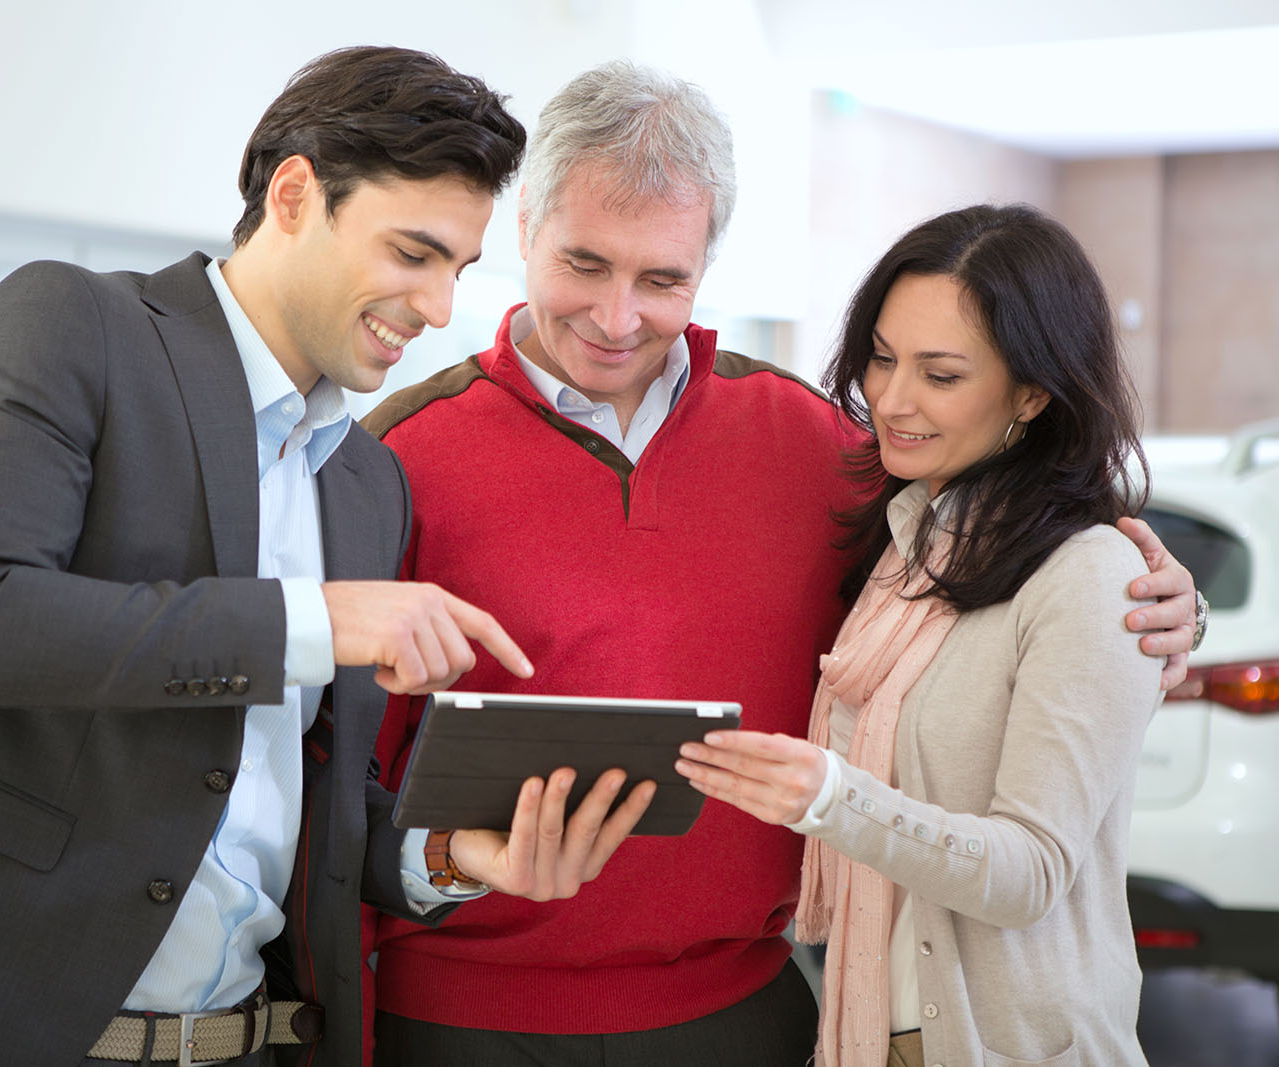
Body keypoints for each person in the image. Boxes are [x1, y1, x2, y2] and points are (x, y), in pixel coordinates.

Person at [0, 46, 653, 1067]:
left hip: (244, 1039)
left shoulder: (366, 484)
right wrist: (320, 620)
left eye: (457, 270)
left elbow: (302, 803)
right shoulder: (73, 326)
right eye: (412, 253)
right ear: (293, 195)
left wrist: (454, 855)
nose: (436, 308)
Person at [363, 63, 1199, 1067]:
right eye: (584, 263)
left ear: (708, 263)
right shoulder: (396, 458)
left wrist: (1162, 594)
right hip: (463, 1020)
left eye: (663, 279)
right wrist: (445, 864)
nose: (618, 316)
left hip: (745, 1011)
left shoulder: (822, 447)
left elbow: (991, 567)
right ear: (524, 224)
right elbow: (328, 781)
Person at [676, 203, 1163, 1066]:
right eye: (883, 358)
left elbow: (1031, 874)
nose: (892, 401)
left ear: (1033, 391)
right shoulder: (904, 540)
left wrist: (832, 797)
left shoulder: (1087, 574)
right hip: (868, 1034)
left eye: (940, 375)